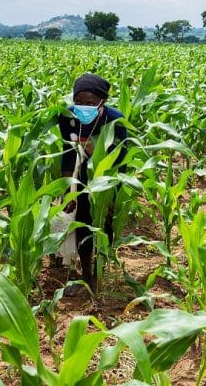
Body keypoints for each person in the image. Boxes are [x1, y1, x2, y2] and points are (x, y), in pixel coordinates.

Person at [58, 73, 127, 293]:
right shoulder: (68, 117)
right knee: (82, 221)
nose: (83, 106)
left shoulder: (115, 120)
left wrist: (114, 196)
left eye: (90, 103)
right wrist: (67, 190)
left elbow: (121, 159)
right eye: (79, 102)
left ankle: (100, 270)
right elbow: (67, 154)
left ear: (102, 102)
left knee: (104, 226)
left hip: (106, 180)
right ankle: (86, 274)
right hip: (79, 178)